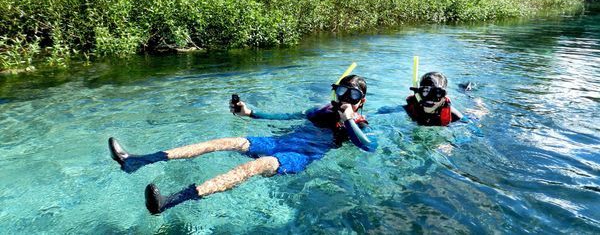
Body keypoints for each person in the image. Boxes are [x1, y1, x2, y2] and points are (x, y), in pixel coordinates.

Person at [108, 75, 377, 214]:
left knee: (257, 166)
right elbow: (284, 116)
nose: (345, 98)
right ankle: (136, 161)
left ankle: (168, 202)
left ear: (361, 101)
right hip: (278, 141)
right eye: (342, 91)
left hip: (301, 155)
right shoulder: (320, 111)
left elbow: (369, 147)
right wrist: (250, 113)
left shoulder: (359, 125)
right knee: (225, 141)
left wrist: (350, 121)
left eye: (353, 95)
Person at [376, 71, 463, 126]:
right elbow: (381, 112)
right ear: (417, 93)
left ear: (444, 97)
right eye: (425, 92)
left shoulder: (455, 117)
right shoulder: (409, 109)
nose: (429, 99)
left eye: (436, 93)